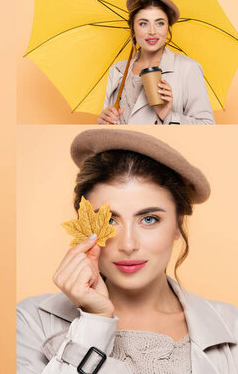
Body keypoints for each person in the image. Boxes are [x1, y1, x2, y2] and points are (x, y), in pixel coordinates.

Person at [17, 129, 238, 373]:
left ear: (179, 225)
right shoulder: (30, 321)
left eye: (150, 219)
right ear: (84, 225)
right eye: (110, 221)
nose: (128, 244)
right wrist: (95, 323)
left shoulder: (233, 326)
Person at [98, 0, 215, 125]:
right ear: (133, 29)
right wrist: (105, 121)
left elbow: (207, 126)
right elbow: (113, 124)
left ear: (168, 28)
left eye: (160, 23)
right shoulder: (118, 70)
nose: (152, 31)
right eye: (143, 24)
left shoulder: (187, 68)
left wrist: (167, 115)